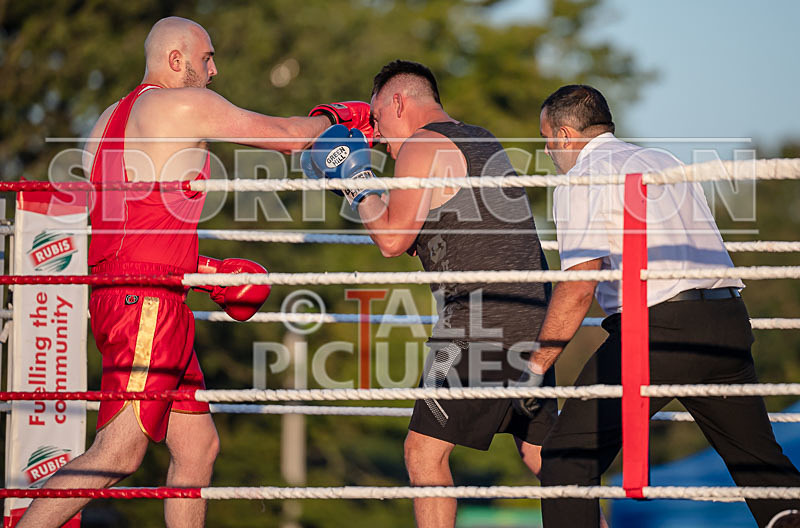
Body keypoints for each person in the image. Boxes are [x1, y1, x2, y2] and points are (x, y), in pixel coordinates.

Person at [18, 16, 371, 528]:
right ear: (176, 60)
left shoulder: (107, 119)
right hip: (147, 305)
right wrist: (339, 117)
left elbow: (130, 231)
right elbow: (291, 138)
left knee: (199, 448)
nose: (215, 69)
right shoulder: (183, 102)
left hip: (136, 293)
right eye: (206, 58)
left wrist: (202, 270)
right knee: (117, 453)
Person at [528, 84, 800, 527]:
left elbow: (579, 286)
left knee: (566, 461)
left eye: (546, 142)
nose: (548, 152)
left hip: (656, 327)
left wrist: (534, 364)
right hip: (726, 317)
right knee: (762, 467)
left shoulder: (584, 176)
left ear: (563, 135)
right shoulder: (663, 161)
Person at [302, 60, 556, 528]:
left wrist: (356, 182)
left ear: (399, 102)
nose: (376, 137)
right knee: (545, 459)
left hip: (482, 317)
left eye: (377, 119)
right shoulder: (483, 139)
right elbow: (442, 233)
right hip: (534, 315)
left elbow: (393, 240)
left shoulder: (421, 144)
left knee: (423, 453)